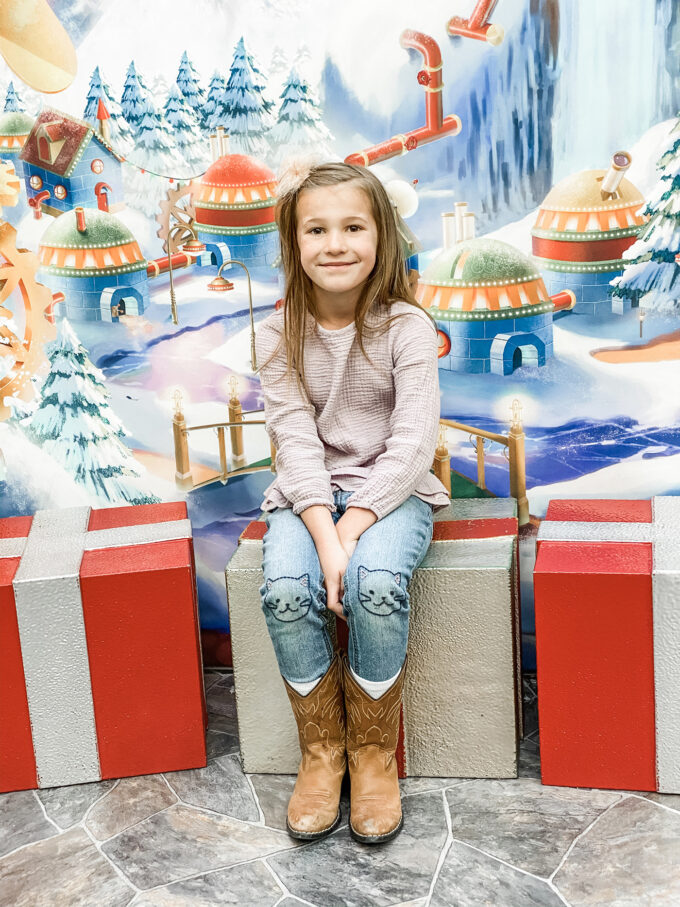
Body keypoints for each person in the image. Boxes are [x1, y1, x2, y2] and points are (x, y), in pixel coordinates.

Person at [254, 159, 450, 845]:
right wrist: (324, 532)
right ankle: (322, 753)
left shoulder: (408, 328)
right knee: (282, 588)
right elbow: (294, 440)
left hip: (392, 492)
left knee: (375, 584)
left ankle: (371, 754)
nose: (335, 243)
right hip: (309, 496)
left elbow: (412, 443)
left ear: (381, 235)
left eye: (353, 226)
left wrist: (357, 525)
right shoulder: (278, 333)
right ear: (294, 241)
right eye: (317, 228)